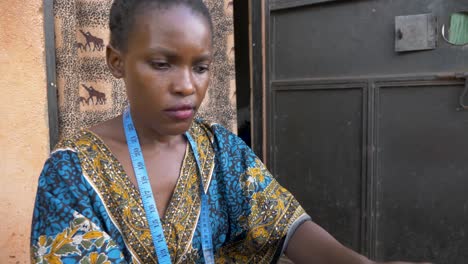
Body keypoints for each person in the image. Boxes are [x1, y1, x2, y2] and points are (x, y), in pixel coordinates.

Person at [30, 0, 430, 263]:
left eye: (200, 67)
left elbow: (285, 226)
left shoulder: (221, 151)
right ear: (117, 62)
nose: (187, 86)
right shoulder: (71, 174)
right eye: (162, 64)